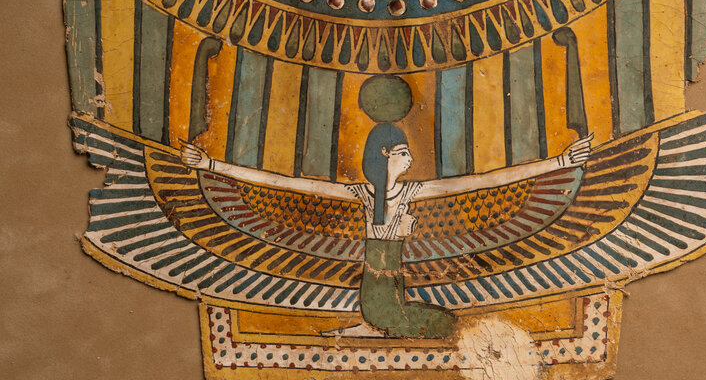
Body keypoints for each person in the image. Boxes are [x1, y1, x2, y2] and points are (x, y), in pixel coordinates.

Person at [181, 130, 593, 338]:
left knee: (439, 323)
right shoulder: (362, 194)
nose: (410, 159)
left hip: (394, 286)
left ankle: (373, 324)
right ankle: (370, 323)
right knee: (416, 323)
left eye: (408, 153)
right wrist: (211, 166)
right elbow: (286, 183)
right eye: (402, 153)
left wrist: (558, 162)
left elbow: (484, 180)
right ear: (383, 155)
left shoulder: (411, 192)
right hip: (375, 291)